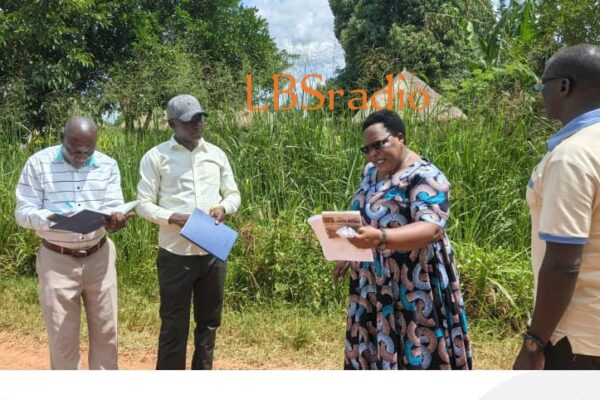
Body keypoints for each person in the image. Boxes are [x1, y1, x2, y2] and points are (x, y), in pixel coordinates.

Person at [333, 110, 472, 370]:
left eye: (379, 144)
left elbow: (431, 228)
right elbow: (364, 215)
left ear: (400, 137)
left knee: (417, 350)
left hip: (414, 283)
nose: (373, 154)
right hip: (373, 283)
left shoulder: (426, 176)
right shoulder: (371, 172)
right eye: (367, 149)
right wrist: (347, 251)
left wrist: (381, 238)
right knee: (375, 348)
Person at [15, 117, 130, 369]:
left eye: (88, 151)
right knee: (62, 338)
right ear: (61, 139)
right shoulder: (38, 164)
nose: (81, 157)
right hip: (57, 260)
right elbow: (23, 211)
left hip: (99, 257)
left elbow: (114, 204)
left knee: (107, 333)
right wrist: (54, 220)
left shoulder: (108, 165)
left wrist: (115, 219)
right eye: (74, 150)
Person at [136, 94, 241, 370]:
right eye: (189, 120)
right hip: (175, 254)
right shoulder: (156, 157)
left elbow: (233, 194)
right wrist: (172, 217)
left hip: (211, 251)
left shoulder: (216, 155)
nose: (197, 124)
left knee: (209, 323)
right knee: (174, 325)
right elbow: (143, 204)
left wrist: (223, 208)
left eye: (200, 118)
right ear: (172, 123)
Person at [513, 44, 600, 370]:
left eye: (542, 85)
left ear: (564, 86)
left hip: (578, 341)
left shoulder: (573, 157)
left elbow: (563, 264)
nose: (541, 94)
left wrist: (534, 342)